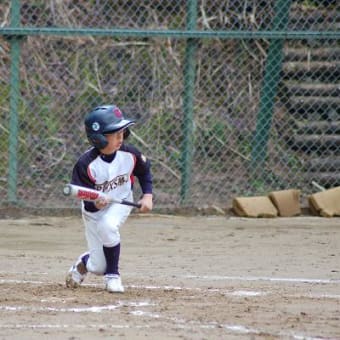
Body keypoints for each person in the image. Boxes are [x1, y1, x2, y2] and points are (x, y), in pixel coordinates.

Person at [65, 104, 153, 293]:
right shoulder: (86, 164)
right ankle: (85, 262)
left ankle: (113, 276)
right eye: (114, 133)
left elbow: (144, 173)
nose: (121, 137)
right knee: (98, 267)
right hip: (93, 213)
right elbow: (83, 195)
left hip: (121, 200)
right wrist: (95, 202)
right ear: (98, 138)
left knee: (108, 226)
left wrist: (147, 195)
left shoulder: (130, 154)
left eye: (122, 132)